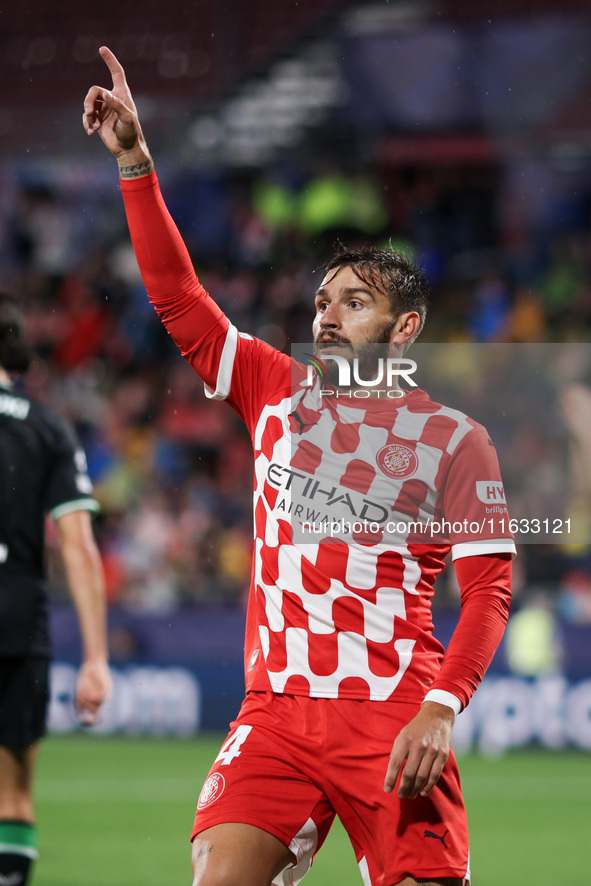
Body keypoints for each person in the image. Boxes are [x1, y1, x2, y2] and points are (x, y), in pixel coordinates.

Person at [83, 47, 515, 886]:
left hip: (392, 717)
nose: (326, 314)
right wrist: (136, 162)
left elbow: (489, 593)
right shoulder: (272, 389)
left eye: (354, 302)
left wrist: (439, 708)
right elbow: (179, 301)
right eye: (321, 300)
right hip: (275, 713)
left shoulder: (458, 442)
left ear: (403, 330)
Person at [0, 292, 111, 885]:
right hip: (17, 625)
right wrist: (95, 659)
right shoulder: (47, 427)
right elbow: (78, 545)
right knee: (12, 797)